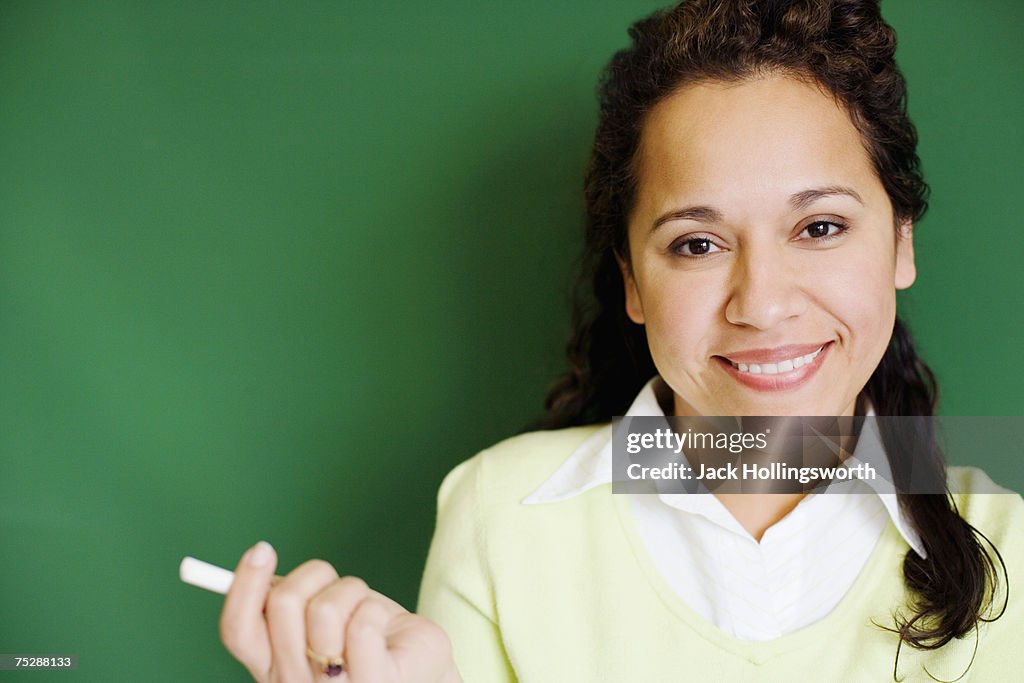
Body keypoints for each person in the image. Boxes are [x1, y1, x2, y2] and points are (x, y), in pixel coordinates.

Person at [217, 0, 1023, 680]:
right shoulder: (500, 516)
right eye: (697, 244)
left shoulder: (1010, 548)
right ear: (633, 282)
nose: (763, 304)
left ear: (900, 244)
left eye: (819, 226)